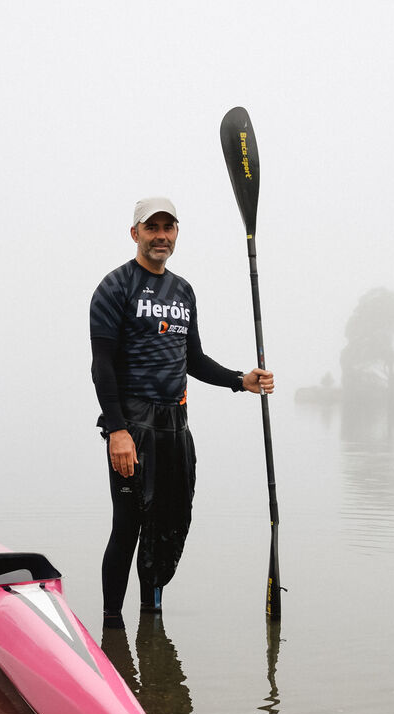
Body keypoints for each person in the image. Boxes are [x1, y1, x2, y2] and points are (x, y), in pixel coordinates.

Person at [89, 197, 274, 629]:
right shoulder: (115, 287)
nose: (161, 236)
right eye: (151, 227)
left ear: (176, 233)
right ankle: (112, 629)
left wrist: (238, 379)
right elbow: (101, 366)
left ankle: (151, 620)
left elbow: (194, 359)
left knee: (167, 525)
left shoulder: (183, 291)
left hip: (175, 428)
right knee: (128, 526)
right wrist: (116, 430)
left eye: (168, 227)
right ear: (135, 233)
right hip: (132, 426)